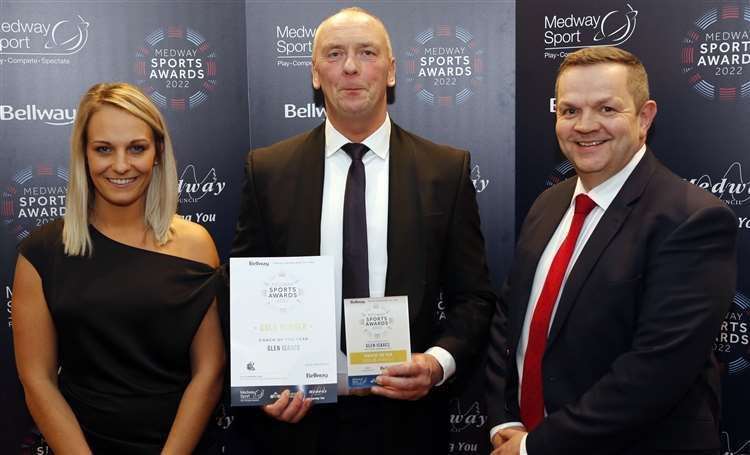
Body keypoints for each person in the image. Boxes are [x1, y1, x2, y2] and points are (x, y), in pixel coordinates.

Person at [231, 6, 495, 454]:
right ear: (315, 74)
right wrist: (266, 382)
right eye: (334, 54)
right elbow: (240, 291)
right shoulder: (268, 170)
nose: (350, 67)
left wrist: (436, 364)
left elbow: (474, 297)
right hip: (299, 420)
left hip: (407, 421)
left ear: (391, 71)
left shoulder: (445, 170)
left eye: (366, 52)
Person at [486, 46, 737, 455]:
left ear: (644, 117)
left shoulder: (693, 220)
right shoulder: (548, 204)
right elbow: (509, 319)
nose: (585, 126)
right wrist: (504, 419)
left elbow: (655, 372)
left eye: (606, 109)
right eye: (569, 111)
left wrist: (535, 446)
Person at [12, 82, 225, 454]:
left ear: (158, 152)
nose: (121, 165)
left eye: (137, 148)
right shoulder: (41, 252)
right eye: (104, 149)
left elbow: (209, 370)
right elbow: (37, 380)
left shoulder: (196, 244)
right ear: (83, 154)